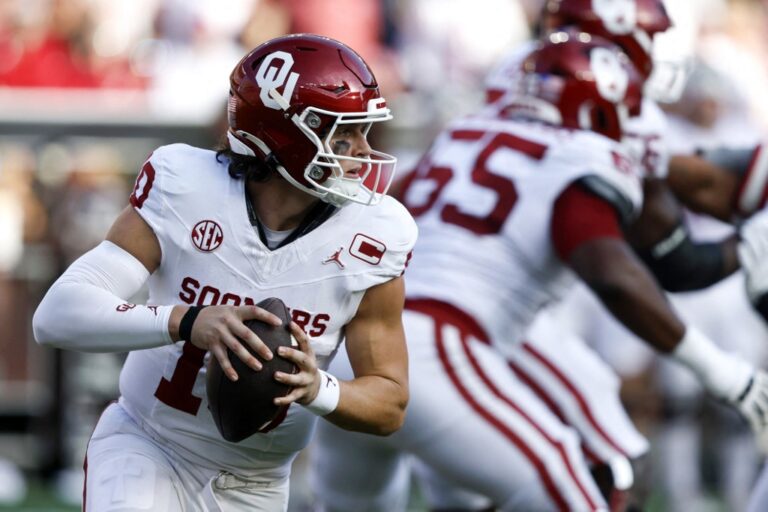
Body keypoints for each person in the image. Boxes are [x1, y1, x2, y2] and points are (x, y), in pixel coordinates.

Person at [309, 31, 768, 512]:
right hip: (439, 347)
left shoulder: (463, 133)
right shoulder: (580, 156)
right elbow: (613, 275)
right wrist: (725, 374)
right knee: (574, 495)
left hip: (360, 350)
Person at [32, 33, 417, 511]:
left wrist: (318, 388)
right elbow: (56, 316)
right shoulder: (186, 188)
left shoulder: (375, 236)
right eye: (344, 133)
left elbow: (389, 403)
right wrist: (188, 321)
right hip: (149, 444)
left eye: (364, 132)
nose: (363, 151)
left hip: (256, 483)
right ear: (286, 135)